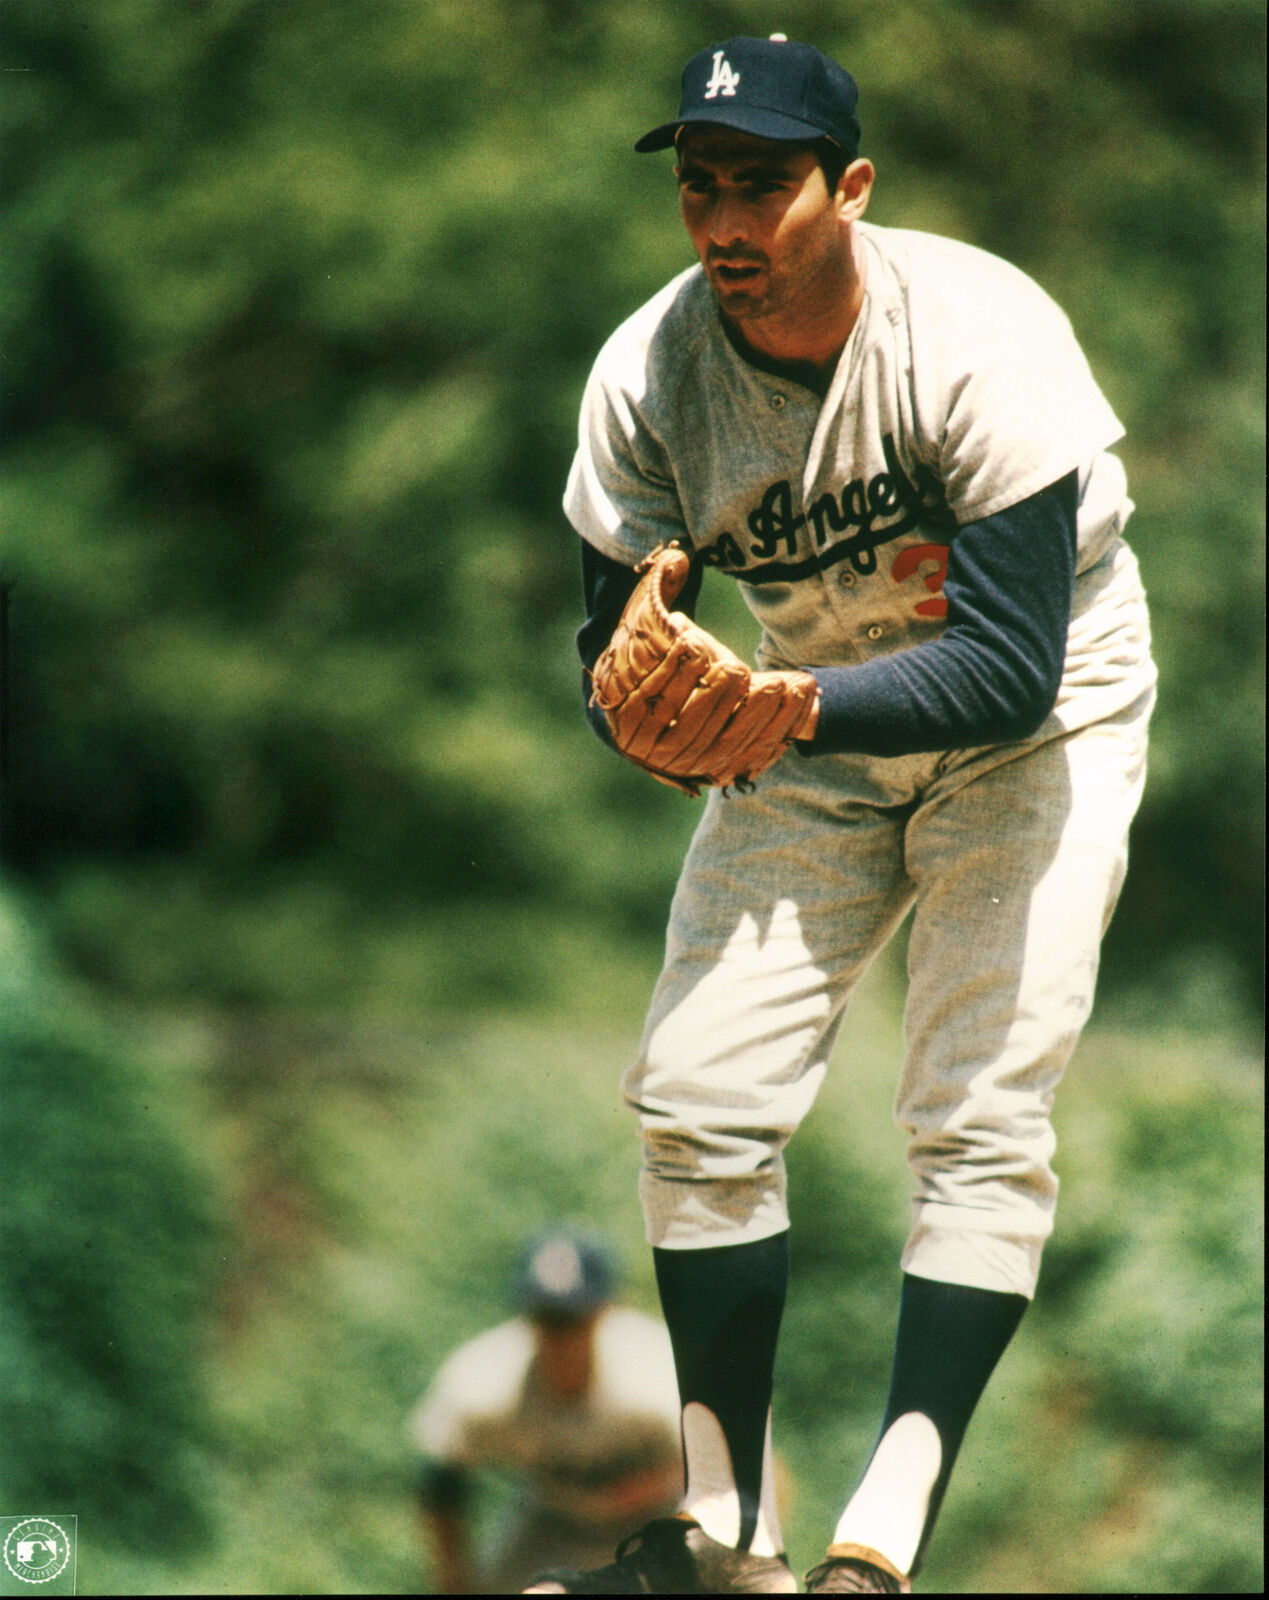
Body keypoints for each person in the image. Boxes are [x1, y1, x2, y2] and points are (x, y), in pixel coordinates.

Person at [535, 32, 1156, 1596]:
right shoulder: (648, 373)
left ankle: (877, 1543)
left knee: (976, 1120)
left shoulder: (978, 333)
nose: (726, 223)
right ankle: (720, 1532)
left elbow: (1007, 674)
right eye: (700, 189)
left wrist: (780, 707)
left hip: (1045, 708)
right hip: (805, 710)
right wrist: (641, 711)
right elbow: (610, 654)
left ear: (850, 189)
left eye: (762, 185)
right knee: (693, 1098)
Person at [410, 1228, 684, 1594]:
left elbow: (754, 1472)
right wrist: (452, 1579)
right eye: (548, 1318)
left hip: (663, 1517)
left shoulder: (657, 1371)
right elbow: (440, 1480)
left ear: (606, 1310)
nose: (563, 1338)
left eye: (575, 1319)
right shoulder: (484, 1383)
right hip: (555, 1519)